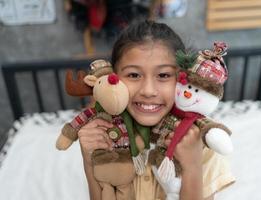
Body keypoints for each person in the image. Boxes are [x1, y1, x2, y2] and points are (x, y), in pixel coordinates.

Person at [78, 20, 235, 200]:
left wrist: (192, 165)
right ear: (114, 78)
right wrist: (89, 162)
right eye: (134, 75)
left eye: (163, 75)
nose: (148, 91)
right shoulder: (109, 133)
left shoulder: (202, 141)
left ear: (183, 77)